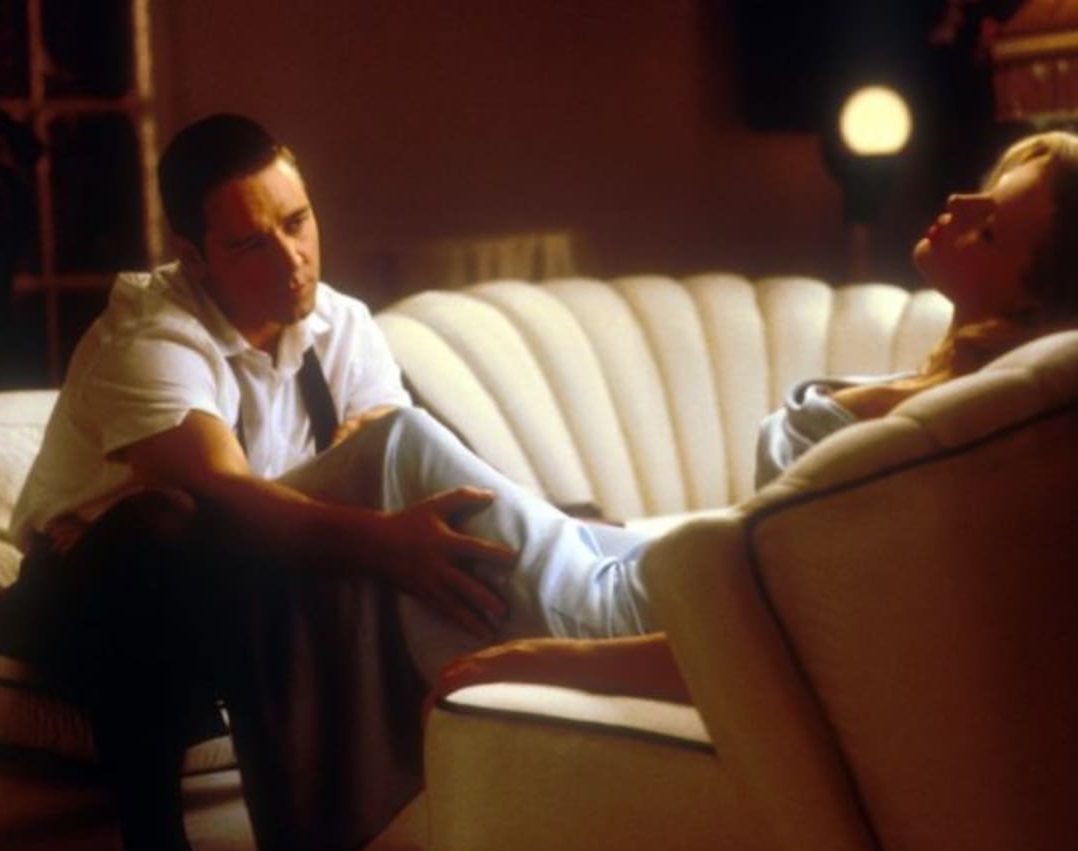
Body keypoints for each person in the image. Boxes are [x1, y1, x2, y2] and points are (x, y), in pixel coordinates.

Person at [0, 113, 653, 851]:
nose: (291, 259)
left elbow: (382, 463)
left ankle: (620, 603)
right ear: (193, 257)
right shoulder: (150, 338)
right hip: (95, 599)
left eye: (296, 222)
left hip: (243, 577)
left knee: (427, 484)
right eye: (249, 245)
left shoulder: (341, 324)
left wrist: (394, 504)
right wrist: (382, 537)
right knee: (169, 525)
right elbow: (225, 494)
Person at [434, 129, 1078, 716]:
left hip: (644, 624)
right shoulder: (935, 386)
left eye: (988, 229)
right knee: (412, 474)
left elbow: (787, 645)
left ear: (1026, 314)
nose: (960, 202)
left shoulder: (937, 449)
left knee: (401, 450)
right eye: (987, 189)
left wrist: (548, 660)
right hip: (667, 583)